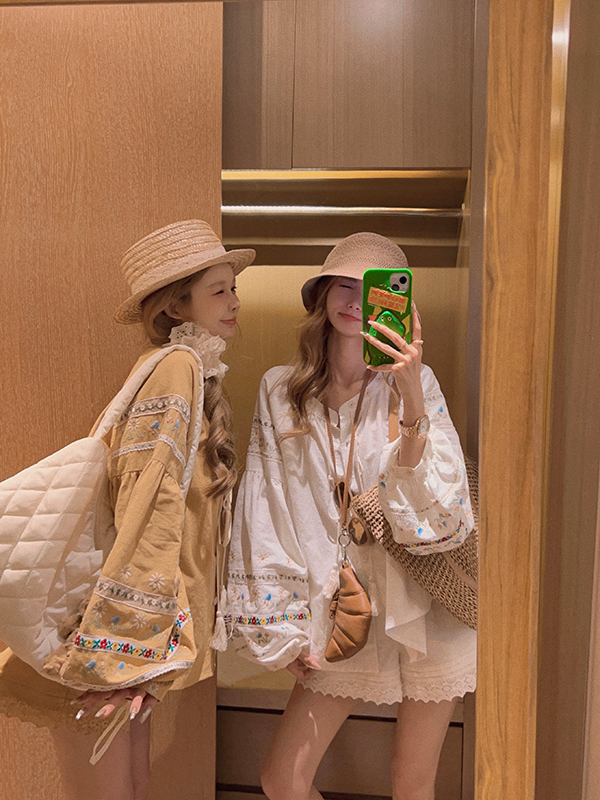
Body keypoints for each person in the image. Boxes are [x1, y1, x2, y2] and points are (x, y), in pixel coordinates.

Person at [0, 220, 255, 800]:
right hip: (110, 627)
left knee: (128, 787)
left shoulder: (180, 367)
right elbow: (150, 500)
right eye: (219, 290)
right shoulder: (177, 366)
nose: (235, 301)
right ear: (175, 305)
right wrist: (126, 639)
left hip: (125, 621)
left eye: (233, 287)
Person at [228, 232, 476, 800]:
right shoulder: (281, 391)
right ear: (322, 294)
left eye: (375, 291)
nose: (357, 301)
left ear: (399, 305)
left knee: (411, 782)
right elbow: (266, 507)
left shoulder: (413, 383)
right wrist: (281, 624)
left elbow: (439, 502)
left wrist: (410, 394)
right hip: (341, 610)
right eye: (344, 284)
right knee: (282, 778)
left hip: (425, 600)